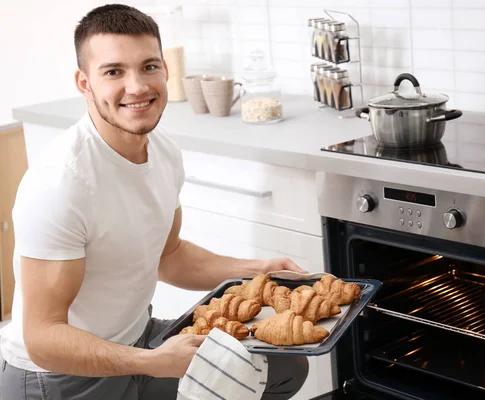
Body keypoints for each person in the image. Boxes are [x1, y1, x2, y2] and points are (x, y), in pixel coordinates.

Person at [0, 4, 309, 400]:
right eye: (114, 72)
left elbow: (169, 256)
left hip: (137, 342)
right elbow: (42, 338)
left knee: (283, 367)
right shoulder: (61, 184)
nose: (137, 86)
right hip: (56, 379)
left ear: (165, 69)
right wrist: (150, 361)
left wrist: (258, 270)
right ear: (84, 83)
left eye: (148, 66)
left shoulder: (163, 152)